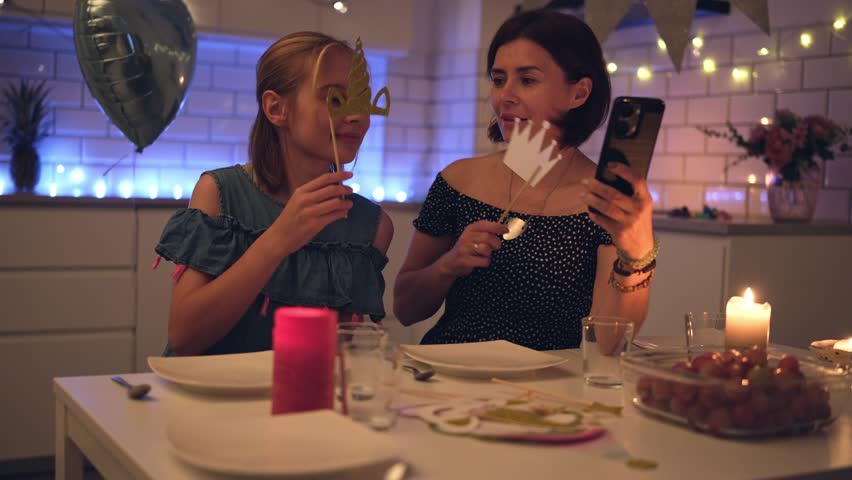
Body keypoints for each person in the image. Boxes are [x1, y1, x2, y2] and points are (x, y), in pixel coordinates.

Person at [393, 10, 656, 350]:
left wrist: (637, 251)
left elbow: (608, 343)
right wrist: (449, 264)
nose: (505, 96)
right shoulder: (457, 180)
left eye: (527, 80)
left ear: (578, 93)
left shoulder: (603, 200)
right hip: (446, 379)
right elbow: (404, 309)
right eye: (499, 79)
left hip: (549, 392)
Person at [154, 32, 394, 356]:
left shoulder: (372, 226)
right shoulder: (220, 194)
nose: (355, 116)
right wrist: (279, 239)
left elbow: (345, 352)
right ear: (276, 108)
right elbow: (184, 336)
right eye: (335, 99)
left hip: (304, 402)